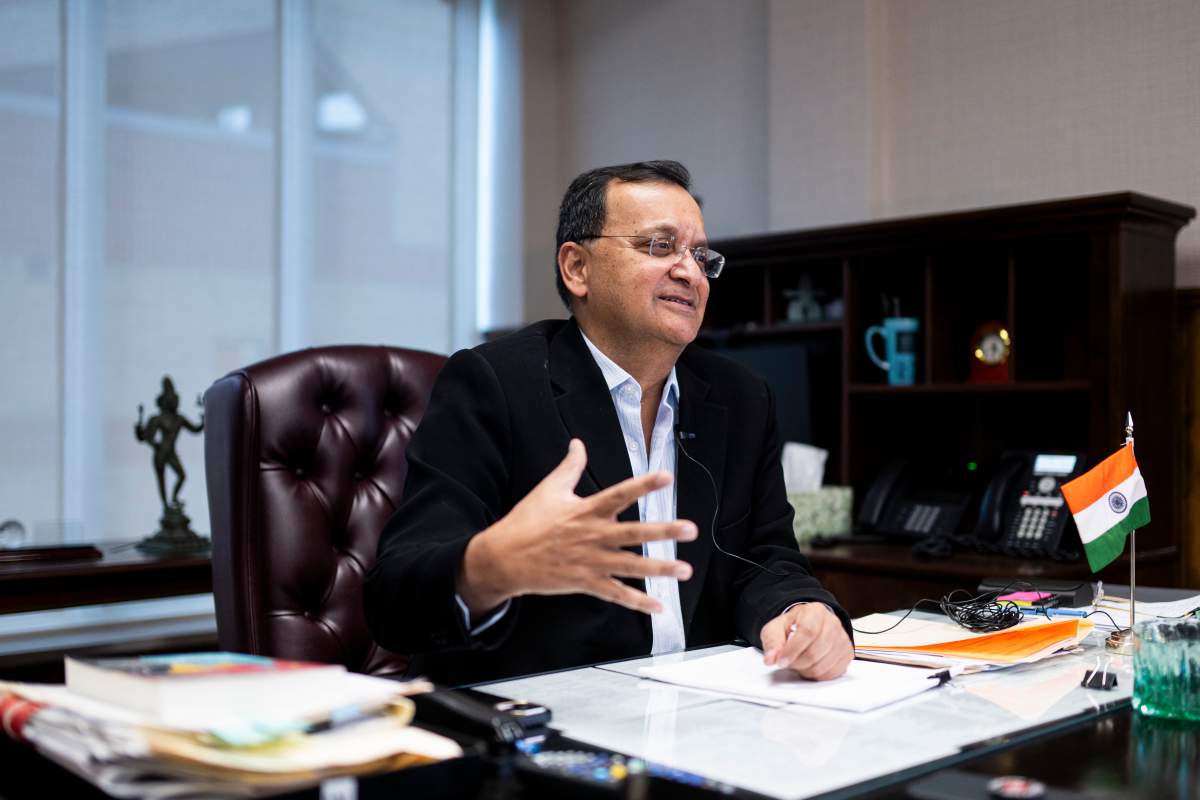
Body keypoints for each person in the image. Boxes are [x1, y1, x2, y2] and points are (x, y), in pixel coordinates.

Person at [365, 160, 853, 685]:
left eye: (700, 255)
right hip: (544, 723)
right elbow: (395, 599)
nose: (690, 272)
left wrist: (802, 611)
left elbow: (765, 557)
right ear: (577, 268)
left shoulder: (740, 398)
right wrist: (490, 566)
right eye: (660, 247)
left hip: (699, 715)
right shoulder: (494, 384)